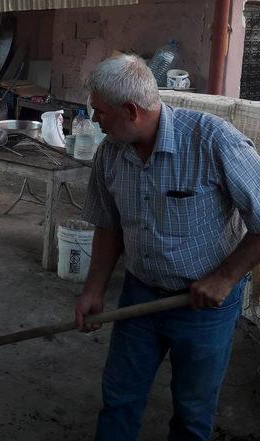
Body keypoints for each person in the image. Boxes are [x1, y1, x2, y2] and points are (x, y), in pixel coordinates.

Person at [75, 54, 260, 441]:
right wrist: (93, 290)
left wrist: (226, 278)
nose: (95, 121)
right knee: (120, 397)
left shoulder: (212, 140)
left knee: (193, 413)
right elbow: (108, 226)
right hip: (140, 296)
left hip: (204, 306)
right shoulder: (110, 153)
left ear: (131, 110)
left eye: (101, 113)